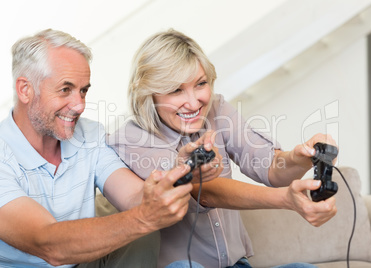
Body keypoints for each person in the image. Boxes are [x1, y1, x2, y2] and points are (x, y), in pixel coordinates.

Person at [107, 29, 337, 268]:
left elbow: (268, 165)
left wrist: (300, 157)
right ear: (148, 94)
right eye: (175, 90)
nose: (194, 102)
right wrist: (286, 199)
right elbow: (204, 191)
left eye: (201, 84)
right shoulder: (130, 138)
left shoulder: (217, 110)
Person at [0, 29, 220, 268]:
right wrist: (143, 218)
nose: (79, 105)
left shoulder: (89, 134)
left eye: (83, 90)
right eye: (66, 89)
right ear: (25, 89)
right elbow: (48, 245)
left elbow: (135, 197)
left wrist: (178, 173)